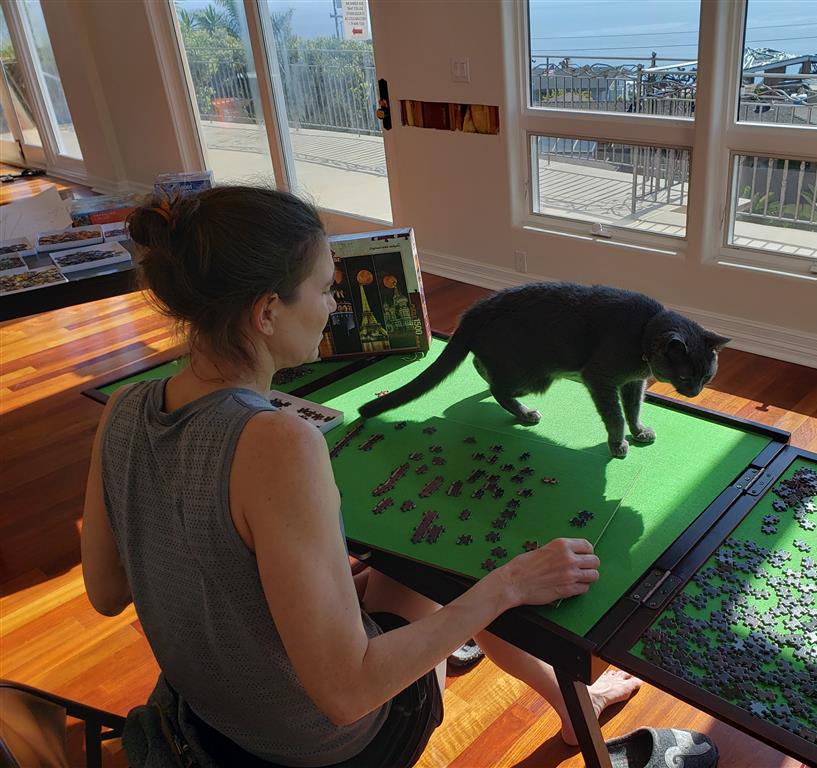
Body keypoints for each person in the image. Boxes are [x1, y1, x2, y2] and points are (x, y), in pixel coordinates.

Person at [81, 186, 716, 768]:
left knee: (405, 567)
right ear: (267, 311)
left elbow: (108, 592)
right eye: (324, 289)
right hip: (323, 746)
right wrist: (509, 584)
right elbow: (348, 694)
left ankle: (573, 707)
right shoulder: (278, 442)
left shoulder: (124, 409)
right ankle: (578, 710)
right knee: (457, 575)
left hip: (202, 714)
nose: (335, 305)